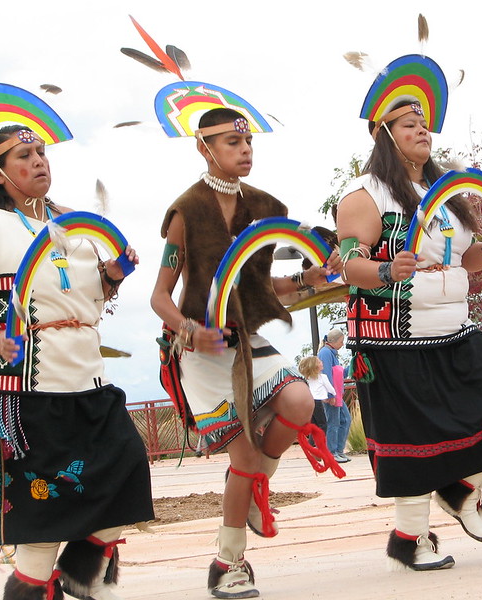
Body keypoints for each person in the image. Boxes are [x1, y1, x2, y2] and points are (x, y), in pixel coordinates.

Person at [337, 52, 482, 572]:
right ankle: (411, 538)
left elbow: (467, 262)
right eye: (410, 124)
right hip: (393, 339)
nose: (423, 131)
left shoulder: (446, 194)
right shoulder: (364, 196)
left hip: (455, 328)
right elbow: (349, 265)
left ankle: (461, 490)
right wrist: (386, 272)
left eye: (425, 123)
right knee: (412, 443)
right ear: (386, 134)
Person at [0, 122, 154, 600]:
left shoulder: (75, 225)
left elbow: (87, 298)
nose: (39, 161)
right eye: (24, 155)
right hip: (26, 391)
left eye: (41, 152)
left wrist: (114, 274)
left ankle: (79, 574)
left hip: (89, 378)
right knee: (39, 529)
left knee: (126, 470)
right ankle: (36, 586)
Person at [150, 105, 343, 599]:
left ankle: (261, 479)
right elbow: (160, 298)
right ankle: (227, 562)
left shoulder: (265, 205)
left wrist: (307, 278)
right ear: (204, 148)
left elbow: (261, 287)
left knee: (300, 402)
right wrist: (190, 332)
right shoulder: (185, 211)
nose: (244, 150)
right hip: (202, 351)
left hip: (249, 342)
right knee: (242, 455)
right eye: (232, 143)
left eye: (248, 142)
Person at [318, 329, 351, 463]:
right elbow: (325, 375)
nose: (342, 344)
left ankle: (338, 450)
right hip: (331, 394)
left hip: (337, 394)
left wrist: (351, 366)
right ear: (334, 341)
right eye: (341, 341)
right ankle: (331, 453)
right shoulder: (325, 353)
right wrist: (330, 394)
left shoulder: (332, 354)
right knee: (333, 422)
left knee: (345, 420)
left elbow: (340, 374)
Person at [298, 355, 335, 436]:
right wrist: (335, 394)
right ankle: (320, 445)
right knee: (323, 425)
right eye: (319, 362)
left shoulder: (307, 378)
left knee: (314, 426)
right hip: (318, 402)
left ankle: (311, 445)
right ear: (315, 366)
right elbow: (330, 389)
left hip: (309, 402)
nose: (322, 363)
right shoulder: (322, 377)